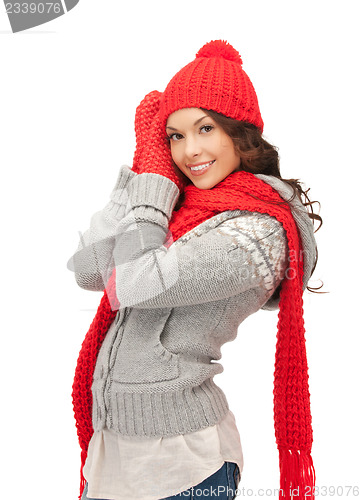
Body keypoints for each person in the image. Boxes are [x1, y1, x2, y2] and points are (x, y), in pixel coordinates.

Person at [68, 39, 323, 500]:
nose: (189, 151)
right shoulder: (178, 206)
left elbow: (131, 281)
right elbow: (89, 270)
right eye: (175, 136)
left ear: (240, 133)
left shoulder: (259, 233)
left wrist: (153, 184)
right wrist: (144, 178)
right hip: (114, 453)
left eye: (205, 128)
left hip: (185, 466)